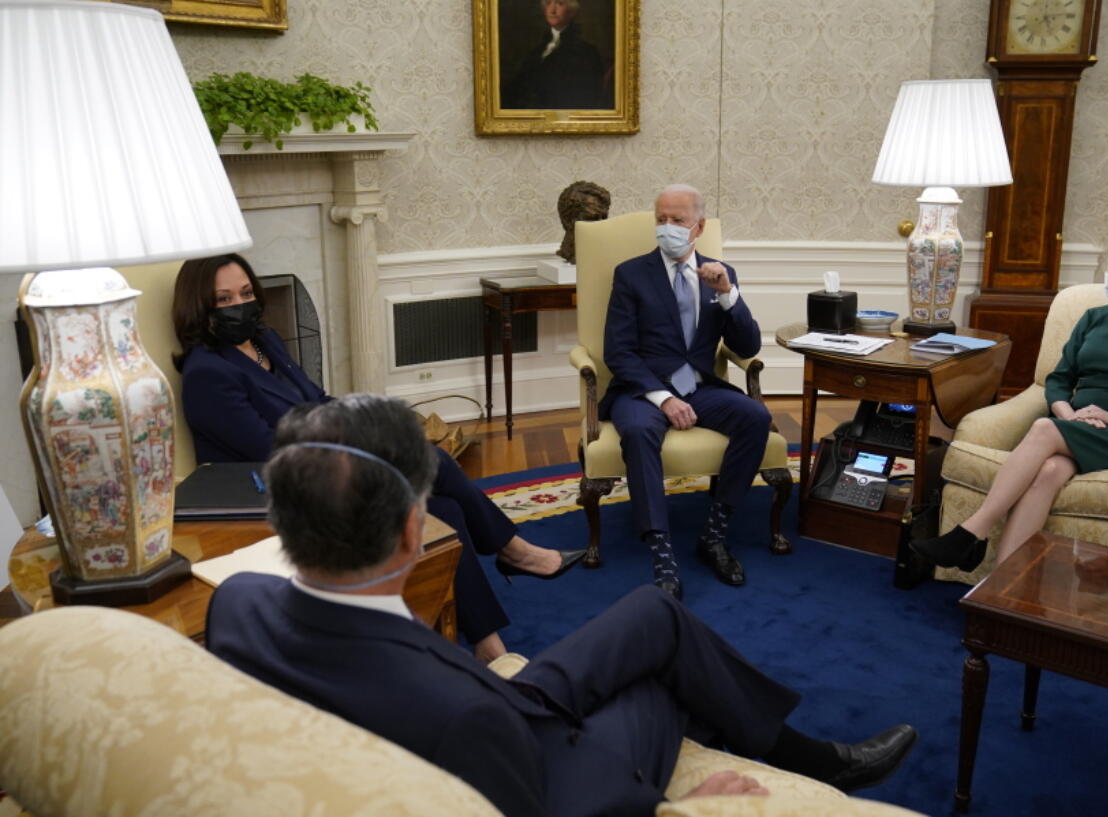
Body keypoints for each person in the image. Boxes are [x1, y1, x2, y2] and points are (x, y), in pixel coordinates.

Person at [205, 394, 919, 817]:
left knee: (654, 613)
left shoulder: (237, 602)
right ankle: (818, 762)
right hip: (532, 752)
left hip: (497, 704)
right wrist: (674, 807)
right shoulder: (460, 718)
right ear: (411, 532)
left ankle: (803, 750)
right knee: (664, 678)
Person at [172, 253, 584, 663]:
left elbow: (317, 400)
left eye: (245, 293)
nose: (239, 305)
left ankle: (487, 643)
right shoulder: (207, 373)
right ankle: (514, 552)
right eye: (223, 300)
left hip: (321, 459)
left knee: (443, 510)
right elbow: (271, 448)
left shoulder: (266, 343)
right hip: (283, 490)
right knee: (430, 460)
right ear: (200, 308)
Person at [912, 224, 1108, 572]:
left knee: (1044, 429)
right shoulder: (1095, 318)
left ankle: (972, 531)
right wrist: (1069, 417)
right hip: (1078, 427)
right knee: (1049, 470)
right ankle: (1004, 585)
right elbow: (1059, 380)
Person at [602, 184, 772, 598]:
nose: (667, 227)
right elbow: (617, 351)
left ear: (699, 226)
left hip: (699, 386)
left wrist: (728, 295)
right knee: (641, 433)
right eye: (660, 219)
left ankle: (713, 534)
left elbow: (747, 347)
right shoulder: (631, 273)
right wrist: (663, 398)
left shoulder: (719, 273)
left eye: (677, 220)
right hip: (641, 391)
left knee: (757, 417)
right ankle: (661, 550)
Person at [501, 0, 611, 110]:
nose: (552, 10)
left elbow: (585, 98)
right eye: (548, 3)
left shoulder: (586, 52)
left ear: (572, 11)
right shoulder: (537, 51)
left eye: (560, 4)